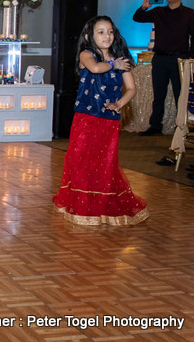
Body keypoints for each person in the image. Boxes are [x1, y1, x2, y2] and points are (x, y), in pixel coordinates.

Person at [53, 16, 148, 226]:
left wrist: (119, 104)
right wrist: (114, 64)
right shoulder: (87, 55)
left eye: (110, 31)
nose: (107, 36)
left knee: (105, 163)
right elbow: (96, 69)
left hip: (109, 120)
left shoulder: (121, 59)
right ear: (90, 36)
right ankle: (81, 203)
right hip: (86, 118)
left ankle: (102, 204)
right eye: (101, 32)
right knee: (80, 159)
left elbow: (132, 89)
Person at [133, 0, 194, 136]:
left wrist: (190, 56)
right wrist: (144, 6)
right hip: (160, 58)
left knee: (180, 95)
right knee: (159, 95)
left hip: (179, 59)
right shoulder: (158, 11)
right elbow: (137, 18)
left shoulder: (191, 14)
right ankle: (155, 126)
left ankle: (181, 127)